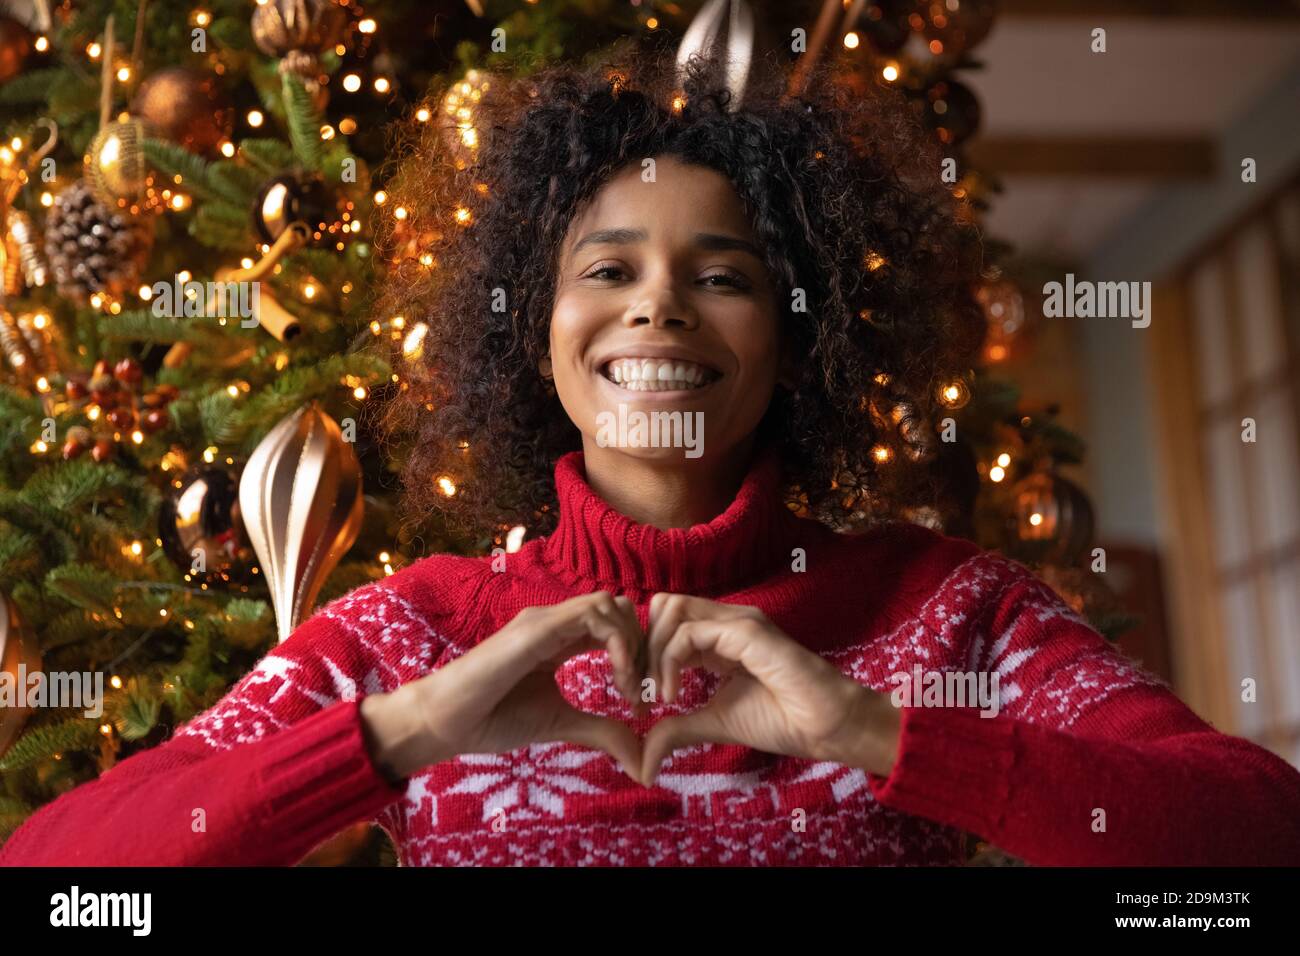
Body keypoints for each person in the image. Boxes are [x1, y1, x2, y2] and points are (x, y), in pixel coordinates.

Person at [3, 45, 1298, 867]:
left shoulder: (953, 616)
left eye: (721, 276)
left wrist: (870, 730)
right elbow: (59, 875)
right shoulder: (406, 633)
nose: (656, 308)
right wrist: (402, 733)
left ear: (800, 341)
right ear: (538, 332)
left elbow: (1254, 829)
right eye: (607, 269)